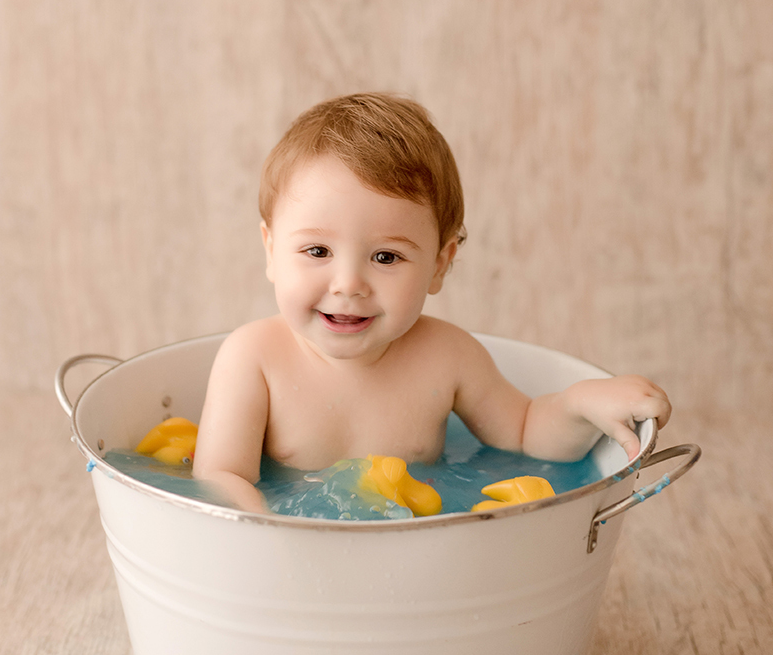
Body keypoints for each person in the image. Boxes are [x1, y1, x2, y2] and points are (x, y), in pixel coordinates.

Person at [193, 93, 671, 513]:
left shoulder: (448, 357)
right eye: (317, 251)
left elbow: (526, 432)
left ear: (440, 264)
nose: (349, 284)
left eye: (386, 256)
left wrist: (577, 402)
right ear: (271, 251)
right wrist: (270, 529)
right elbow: (221, 477)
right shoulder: (254, 358)